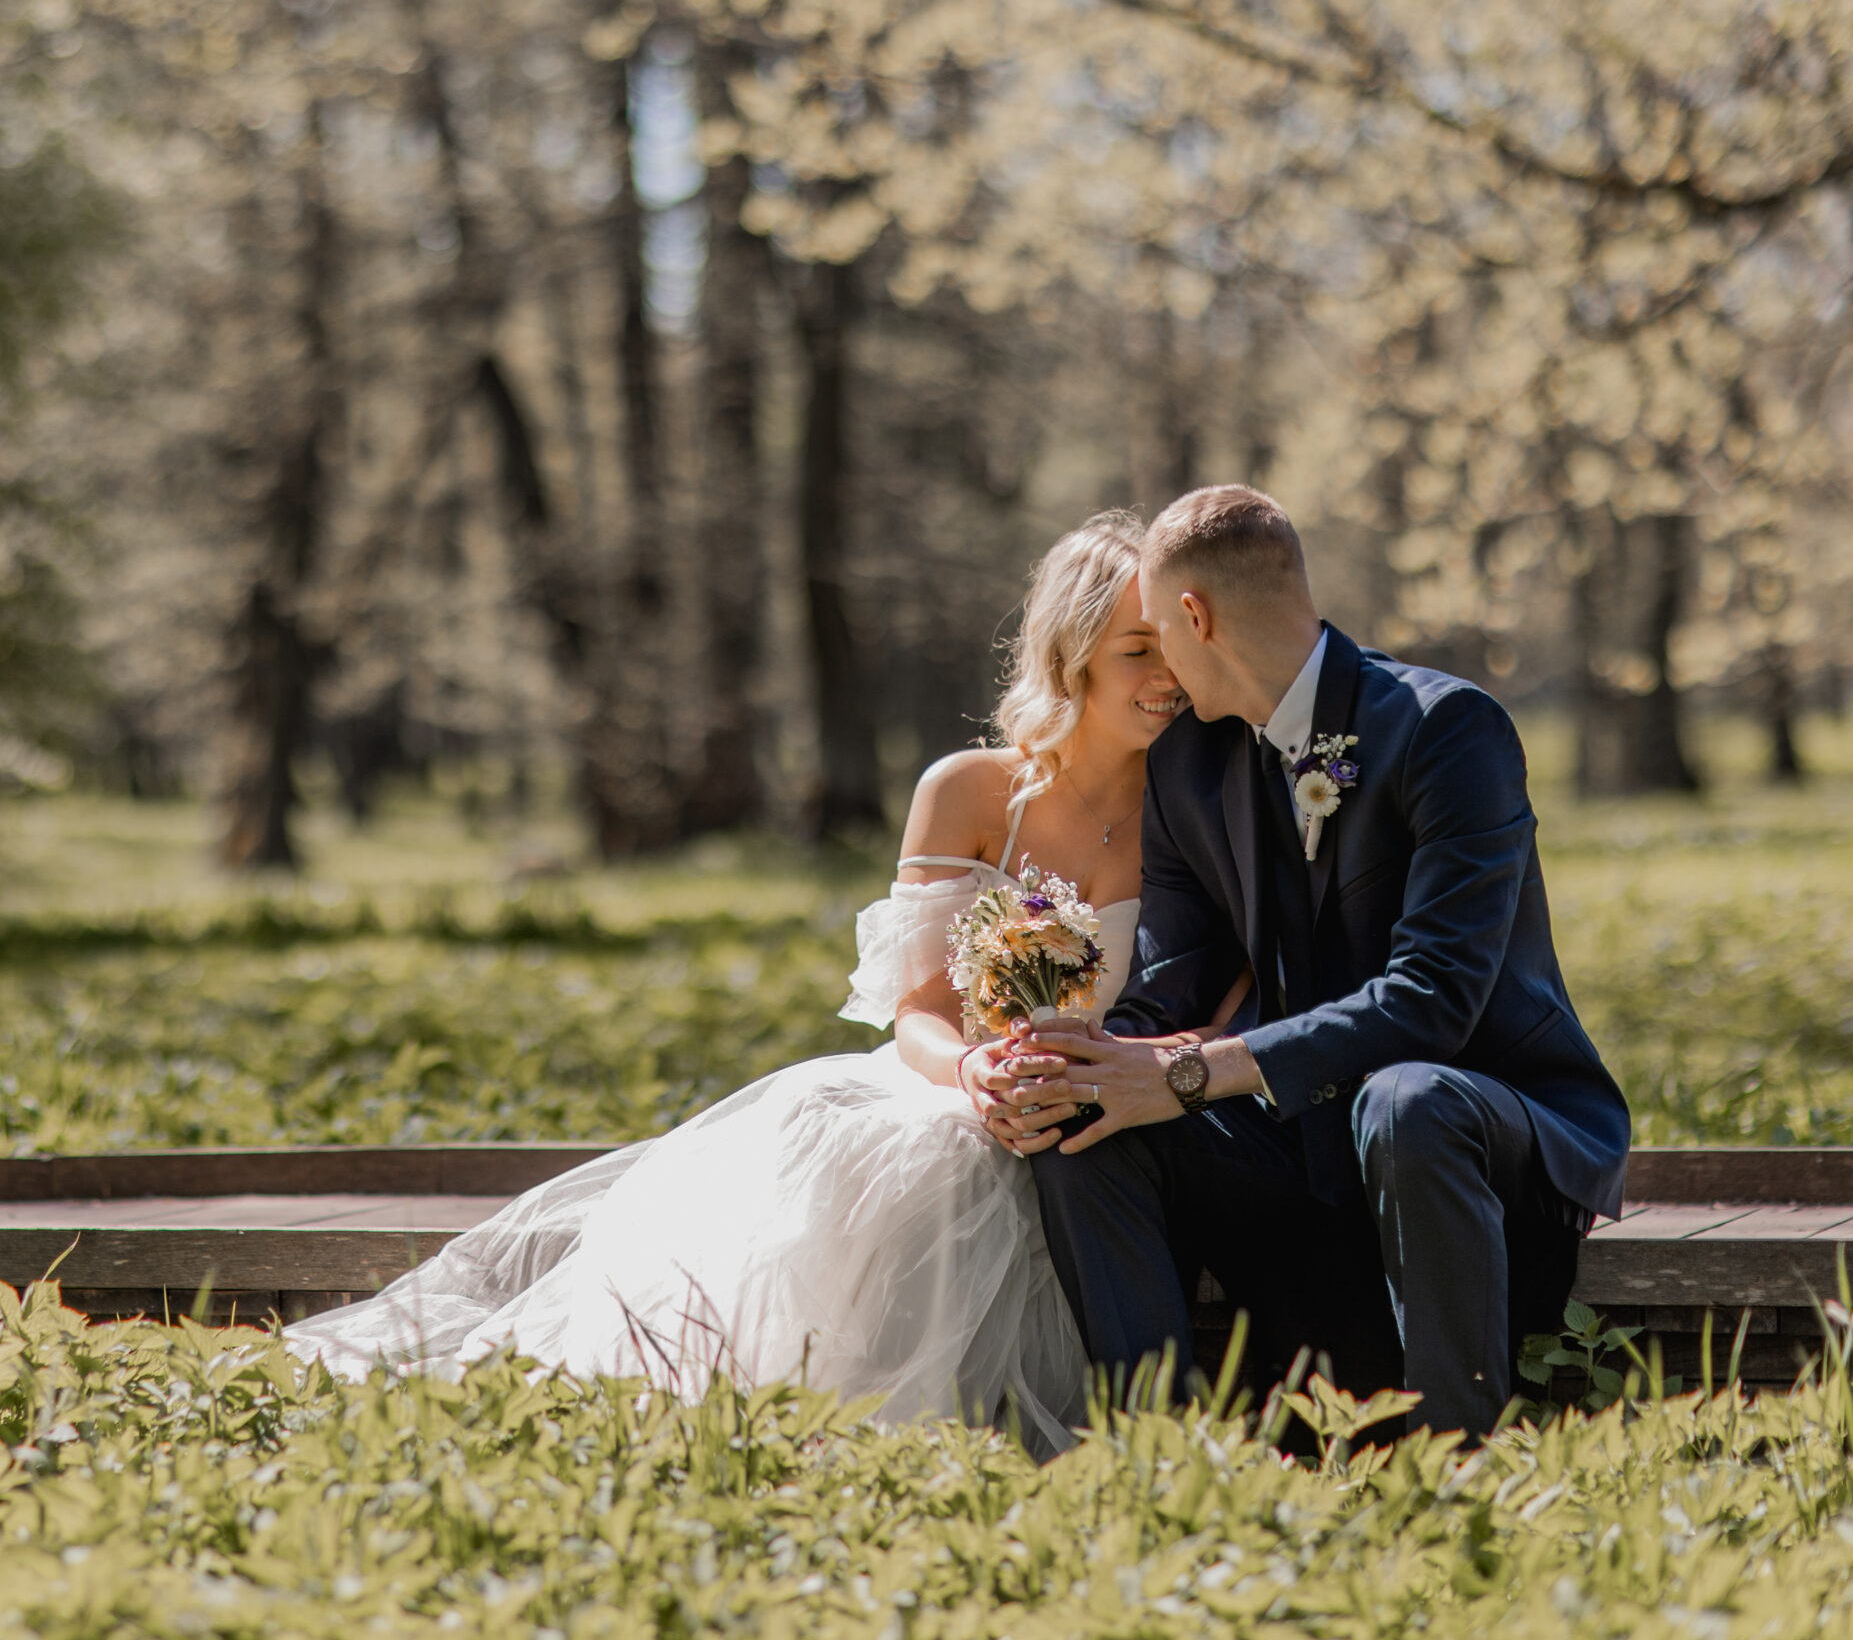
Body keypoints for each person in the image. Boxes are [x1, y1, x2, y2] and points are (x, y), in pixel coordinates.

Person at [283, 512, 1212, 1454]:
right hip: (964, 1086)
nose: (1165, 676)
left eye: (1172, 647)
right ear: (1072, 653)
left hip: (1112, 1098)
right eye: (1138, 649)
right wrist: (976, 1075)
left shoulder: (1203, 812)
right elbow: (918, 1013)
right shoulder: (967, 792)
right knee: (906, 1156)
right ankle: (819, 1420)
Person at [993, 485, 1631, 1436]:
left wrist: (1188, 1070)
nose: (1162, 665)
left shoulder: (1446, 729)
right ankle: (1158, 1460)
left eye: (1159, 632)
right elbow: (1176, 979)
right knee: (1090, 1125)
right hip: (1300, 1135)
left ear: (1194, 618)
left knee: (1407, 1097)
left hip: (1476, 1124)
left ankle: (1454, 1463)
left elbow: (1434, 1000)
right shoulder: (1189, 765)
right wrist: (1081, 1064)